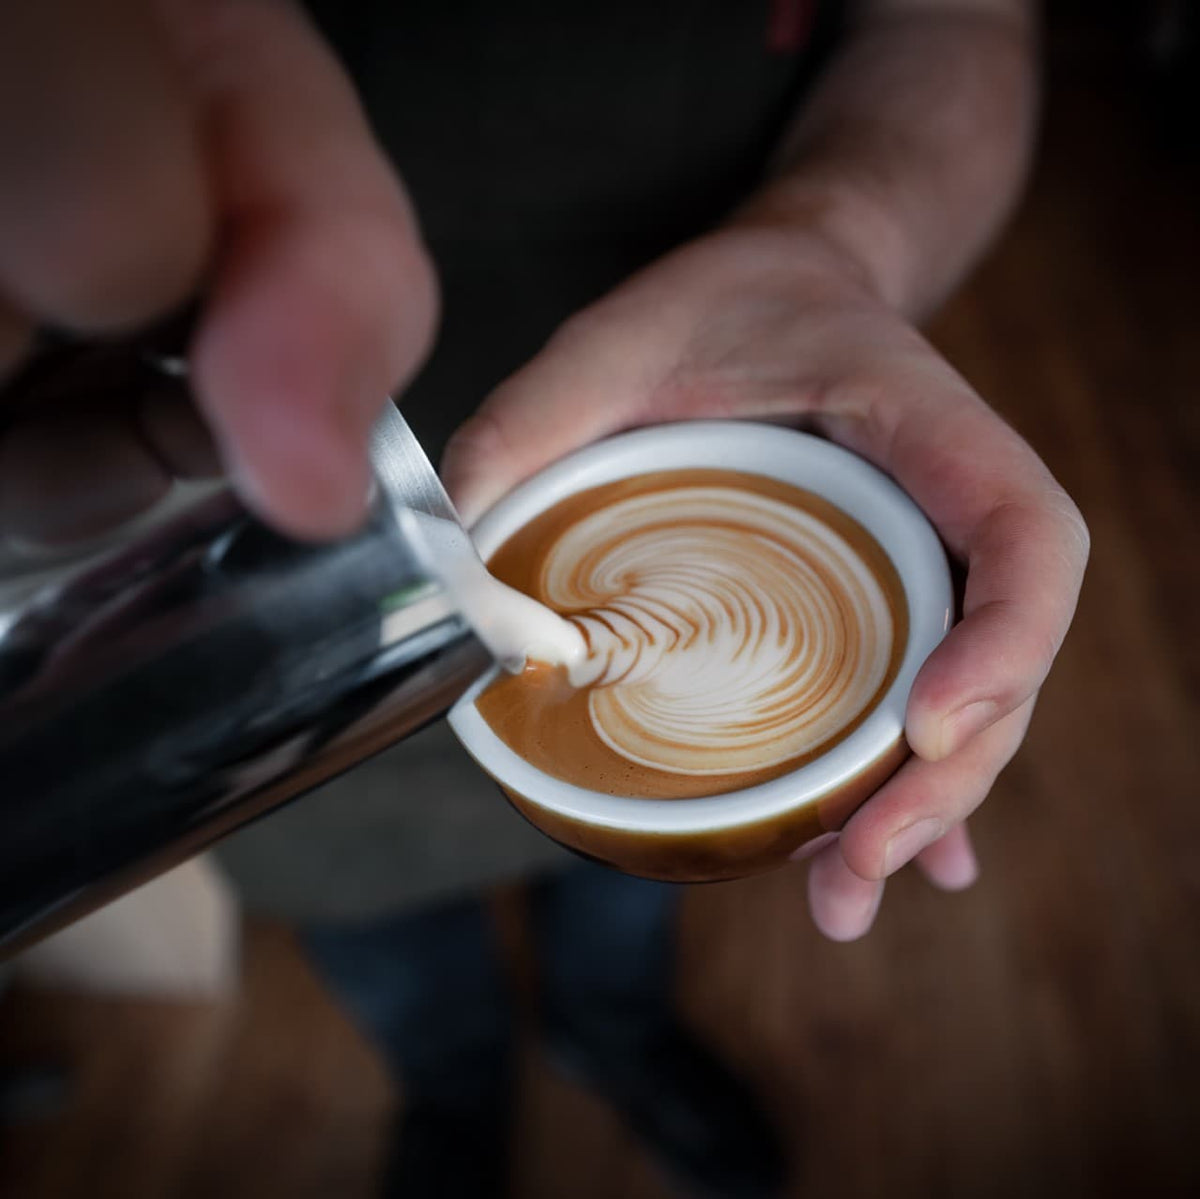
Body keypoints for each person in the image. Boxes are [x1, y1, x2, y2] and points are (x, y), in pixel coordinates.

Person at [0, 1, 1088, 1196]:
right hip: (273, 634)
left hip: (728, 385)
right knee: (383, 949)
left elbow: (960, 19)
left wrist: (837, 244)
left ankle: (607, 1035)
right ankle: (456, 1091)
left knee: (622, 915)